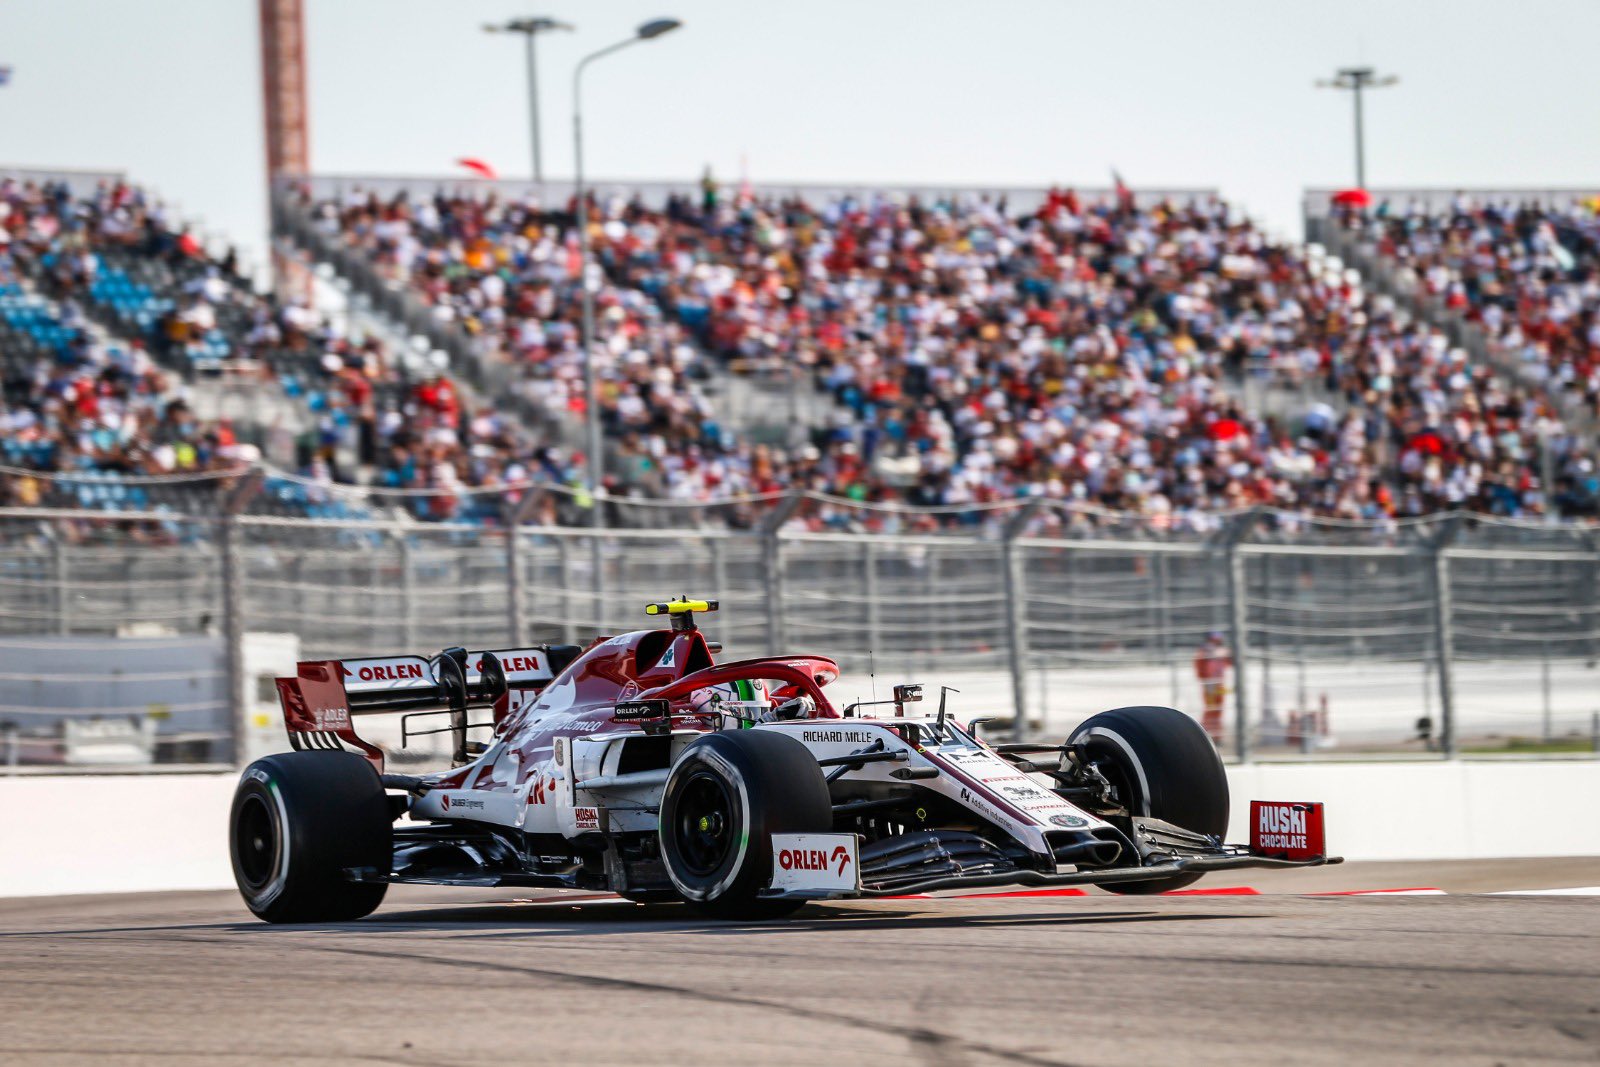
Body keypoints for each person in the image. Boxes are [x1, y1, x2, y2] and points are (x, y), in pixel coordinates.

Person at [1193, 632, 1232, 744]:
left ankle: (1216, 736)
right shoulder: (1203, 652)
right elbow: (1200, 668)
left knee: (1218, 709)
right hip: (1209, 684)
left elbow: (1230, 662)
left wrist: (1226, 654)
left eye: (1217, 640)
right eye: (1214, 640)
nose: (1215, 642)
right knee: (1211, 709)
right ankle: (1205, 733)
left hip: (1219, 683)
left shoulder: (1222, 651)